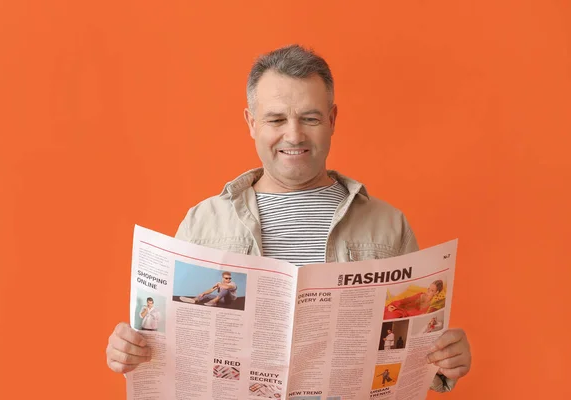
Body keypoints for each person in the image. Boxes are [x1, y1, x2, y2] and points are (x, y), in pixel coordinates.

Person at [106, 44, 472, 393]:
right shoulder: (201, 223)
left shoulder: (389, 225)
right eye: (276, 119)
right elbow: (171, 345)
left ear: (331, 120)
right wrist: (129, 349)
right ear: (251, 123)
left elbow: (412, 355)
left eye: (309, 118)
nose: (293, 134)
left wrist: (444, 362)